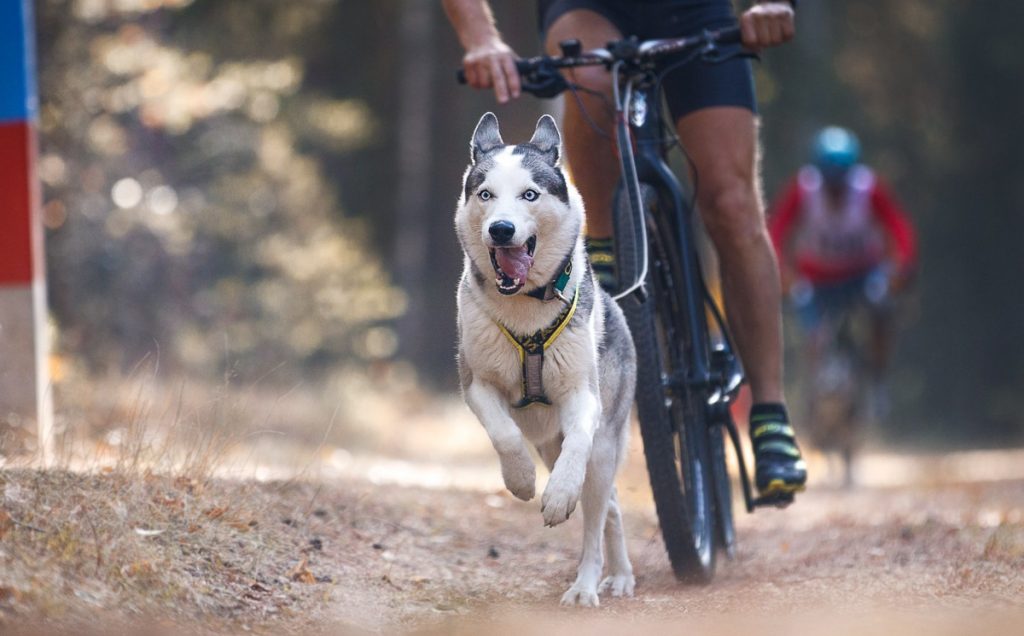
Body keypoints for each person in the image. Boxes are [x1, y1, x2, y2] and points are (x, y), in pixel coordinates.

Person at [442, 0, 807, 498]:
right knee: (590, 80)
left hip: (696, 11)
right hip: (588, 8)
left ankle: (769, 412)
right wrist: (481, 36)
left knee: (731, 201)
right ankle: (606, 261)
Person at [769, 126, 918, 421]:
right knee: (814, 332)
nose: (836, 191)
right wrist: (781, 271)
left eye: (841, 183)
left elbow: (898, 226)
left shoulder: (868, 188)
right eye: (830, 183)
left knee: (882, 308)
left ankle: (878, 379)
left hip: (862, 274)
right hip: (817, 278)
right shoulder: (803, 189)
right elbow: (777, 230)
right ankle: (812, 393)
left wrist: (903, 265)